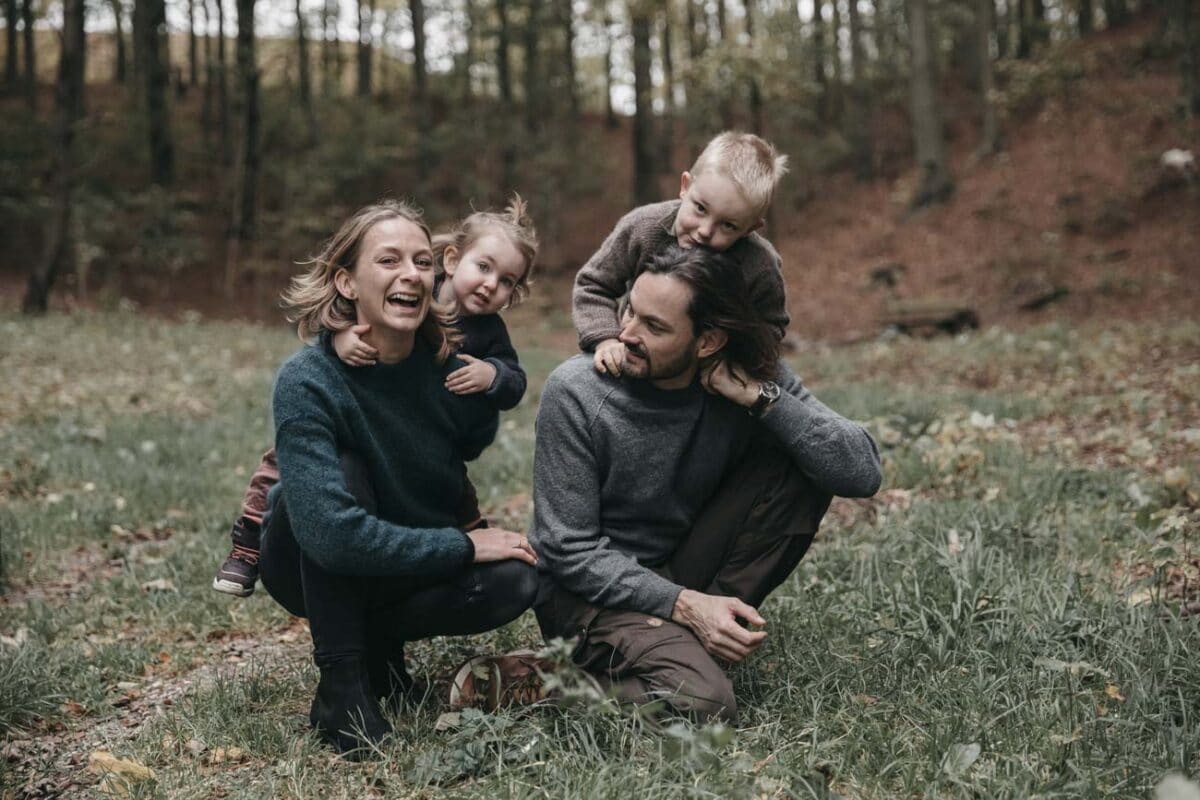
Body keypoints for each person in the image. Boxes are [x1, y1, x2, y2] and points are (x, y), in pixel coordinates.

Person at [528, 246, 882, 723]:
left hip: (678, 564)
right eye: (630, 310)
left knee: (806, 454)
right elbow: (567, 549)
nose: (626, 334)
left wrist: (763, 400)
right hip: (587, 597)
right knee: (704, 705)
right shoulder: (576, 391)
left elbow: (860, 472)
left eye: (654, 327)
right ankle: (538, 684)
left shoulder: (742, 375)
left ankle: (699, 639)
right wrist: (686, 604)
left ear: (708, 341)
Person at [254, 200, 538, 757]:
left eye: (421, 261)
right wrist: (463, 546)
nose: (411, 273)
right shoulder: (308, 379)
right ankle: (342, 682)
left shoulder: (451, 369)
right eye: (388, 260)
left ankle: (380, 646)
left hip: (400, 550)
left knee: (517, 579)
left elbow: (471, 442)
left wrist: (485, 383)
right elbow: (331, 535)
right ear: (347, 282)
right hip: (306, 556)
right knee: (347, 468)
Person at [213, 197, 538, 596]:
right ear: (452, 261)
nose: (490, 285)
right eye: (484, 267)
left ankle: (464, 537)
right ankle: (249, 538)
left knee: (452, 478)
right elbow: (354, 314)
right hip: (357, 411)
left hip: (425, 433)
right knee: (285, 463)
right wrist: (338, 338)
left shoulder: (489, 331)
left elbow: (512, 384)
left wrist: (493, 376)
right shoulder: (418, 289)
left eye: (507, 281)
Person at [573, 131, 790, 378]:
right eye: (700, 208)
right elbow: (593, 285)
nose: (705, 231)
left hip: (715, 376)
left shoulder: (759, 265)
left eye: (728, 225)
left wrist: (734, 363)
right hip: (639, 356)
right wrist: (605, 339)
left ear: (750, 228)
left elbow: (771, 327)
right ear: (685, 186)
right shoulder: (643, 228)